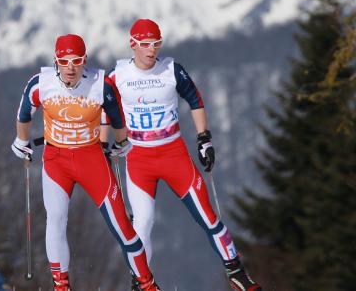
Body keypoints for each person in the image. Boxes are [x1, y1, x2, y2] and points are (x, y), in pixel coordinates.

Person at [105, 18, 261, 291]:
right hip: (139, 159)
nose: (151, 50)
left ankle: (236, 271)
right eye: (145, 45)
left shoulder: (171, 69)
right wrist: (104, 146)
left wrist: (204, 139)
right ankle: (140, 283)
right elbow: (105, 110)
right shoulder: (117, 76)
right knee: (142, 223)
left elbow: (195, 99)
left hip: (173, 154)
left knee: (208, 216)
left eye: (156, 44)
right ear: (133, 45)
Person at [12, 34, 160, 291]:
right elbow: (24, 112)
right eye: (64, 61)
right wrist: (20, 141)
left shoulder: (100, 84)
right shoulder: (41, 83)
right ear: (56, 61)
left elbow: (117, 118)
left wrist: (122, 142)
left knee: (122, 225)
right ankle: (61, 286)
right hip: (56, 160)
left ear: (85, 61)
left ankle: (147, 284)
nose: (70, 68)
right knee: (56, 219)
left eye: (77, 61)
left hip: (90, 158)